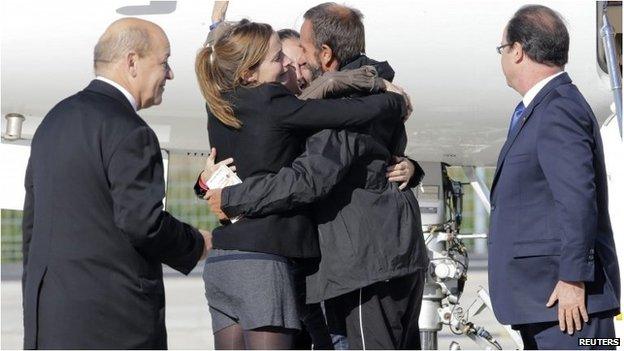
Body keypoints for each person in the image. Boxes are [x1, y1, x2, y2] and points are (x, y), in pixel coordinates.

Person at [205, 4, 428, 349]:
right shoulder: (311, 102)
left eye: (299, 55)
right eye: (281, 60)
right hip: (369, 258)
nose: (292, 66)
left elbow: (310, 177)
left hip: (365, 262)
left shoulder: (336, 105)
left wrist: (229, 196)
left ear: (324, 55)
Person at [21, 18, 211, 349]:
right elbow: (141, 223)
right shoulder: (130, 130)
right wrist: (195, 245)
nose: (170, 74)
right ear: (132, 62)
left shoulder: (53, 121)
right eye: (164, 62)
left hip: (50, 323)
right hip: (115, 324)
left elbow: (32, 230)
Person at [489, 5, 620, 349]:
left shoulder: (558, 108)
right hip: (543, 303)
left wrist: (573, 278)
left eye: (502, 49)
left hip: (567, 306)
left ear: (517, 51)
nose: (502, 57)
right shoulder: (542, 107)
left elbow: (578, 200)